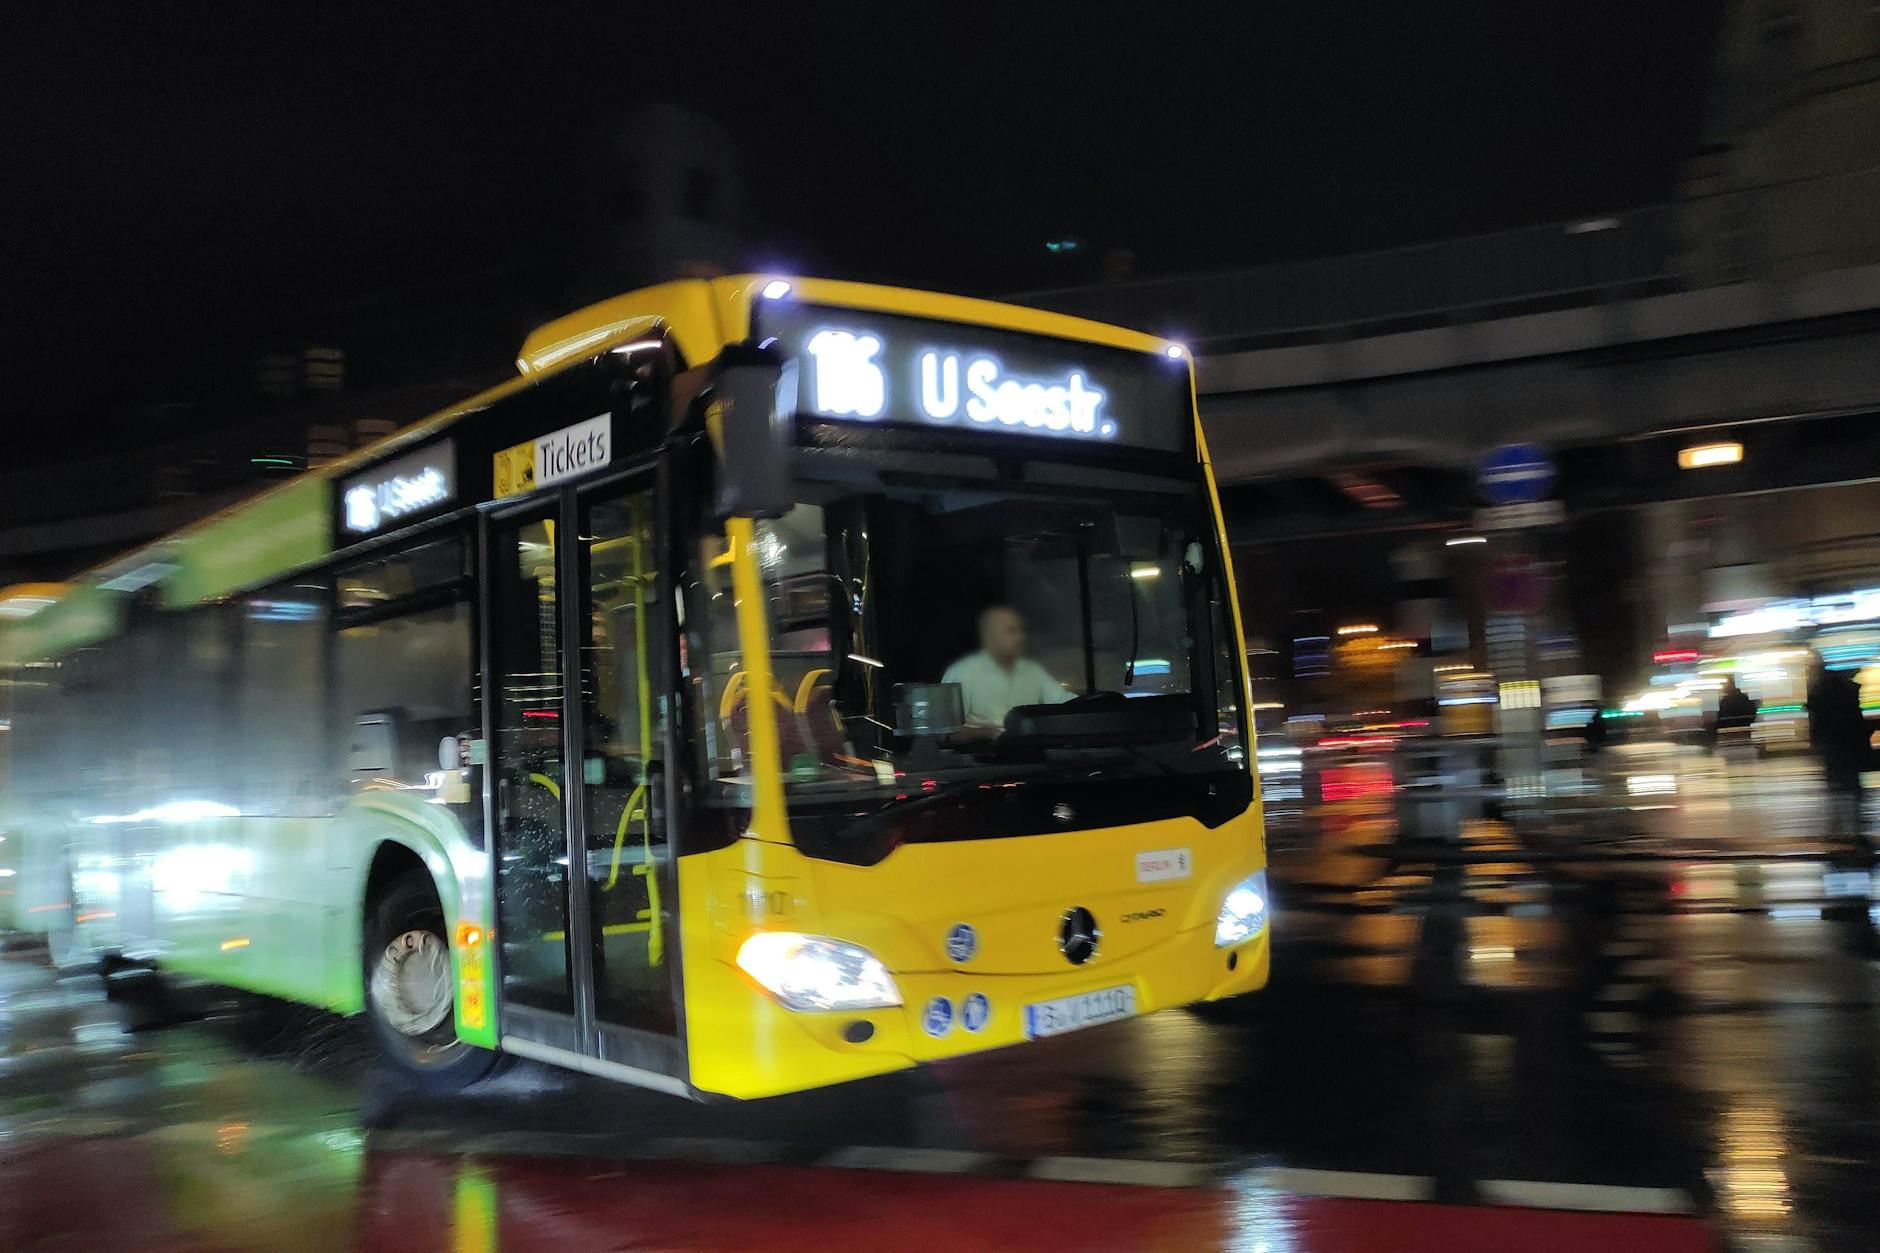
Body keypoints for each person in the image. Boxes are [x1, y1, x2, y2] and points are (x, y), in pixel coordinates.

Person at [942, 604, 1072, 737]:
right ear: (989, 637)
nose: (1020, 637)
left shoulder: (1033, 671)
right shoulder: (962, 673)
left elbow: (1066, 704)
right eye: (1011, 631)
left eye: (1021, 631)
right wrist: (989, 733)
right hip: (979, 753)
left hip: (1026, 752)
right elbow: (945, 734)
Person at [1806, 650, 1872, 849]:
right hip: (1848, 746)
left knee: (1840, 788)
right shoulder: (1842, 691)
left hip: (1837, 748)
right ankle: (1851, 831)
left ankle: (1841, 832)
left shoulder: (1821, 692)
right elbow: (1855, 721)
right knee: (1850, 789)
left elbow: (1821, 724)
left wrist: (1817, 743)